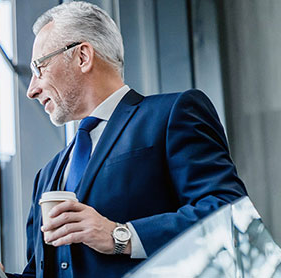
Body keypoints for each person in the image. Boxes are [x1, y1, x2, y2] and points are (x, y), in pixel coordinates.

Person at [13, 2, 248, 278]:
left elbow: (230, 215)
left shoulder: (172, 114)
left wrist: (119, 236)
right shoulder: (47, 175)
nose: (32, 90)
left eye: (39, 68)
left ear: (82, 57)